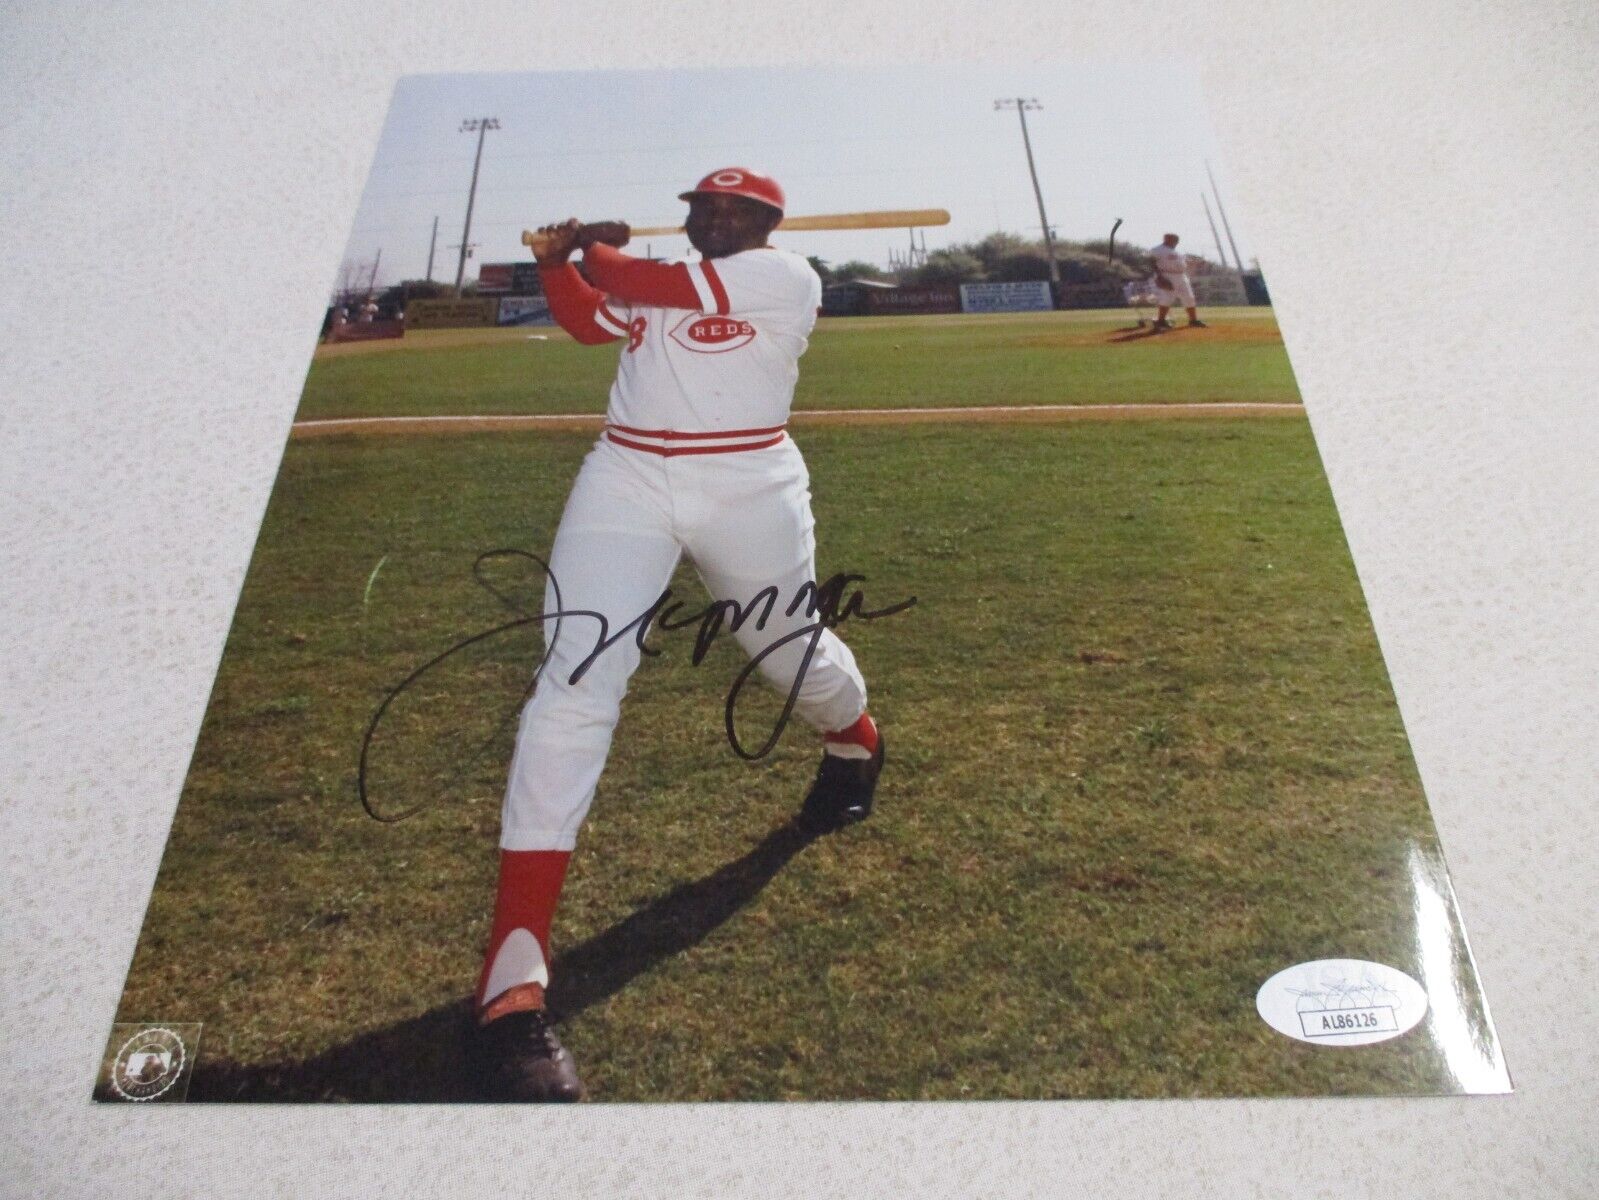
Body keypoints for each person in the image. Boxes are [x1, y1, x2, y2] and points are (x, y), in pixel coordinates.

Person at [468, 167, 885, 1102]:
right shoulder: (657, 274)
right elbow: (589, 319)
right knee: (574, 683)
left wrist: (591, 247)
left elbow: (642, 285)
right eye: (705, 206)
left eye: (739, 209)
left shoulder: (785, 278)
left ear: (770, 222)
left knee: (787, 655)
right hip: (625, 479)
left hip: (747, 485)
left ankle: (852, 735)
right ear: (691, 216)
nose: (717, 217)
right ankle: (512, 981)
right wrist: (556, 265)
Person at [1149, 233, 1207, 330]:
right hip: (1167, 274)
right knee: (1167, 298)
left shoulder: (1176, 251)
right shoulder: (1157, 249)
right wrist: (1159, 277)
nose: (1176, 242)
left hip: (1181, 275)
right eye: (1175, 240)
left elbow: (1183, 263)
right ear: (1167, 239)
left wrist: (1197, 262)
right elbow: (1151, 262)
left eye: (1177, 240)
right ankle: (1161, 321)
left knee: (1189, 297)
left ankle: (1193, 320)